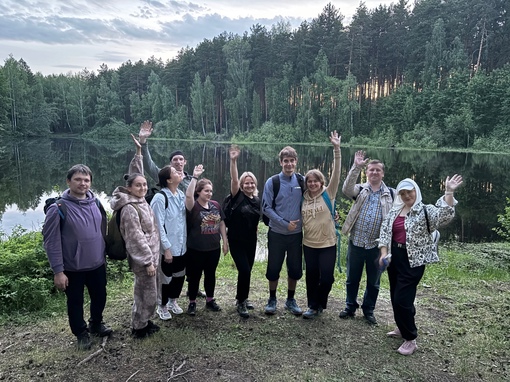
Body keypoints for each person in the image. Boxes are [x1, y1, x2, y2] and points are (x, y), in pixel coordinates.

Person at [378, 175, 463, 355]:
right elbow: (385, 233)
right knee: (396, 296)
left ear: (416, 191)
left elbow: (445, 214)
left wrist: (449, 192)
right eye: (403, 193)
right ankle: (402, 325)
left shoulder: (426, 211)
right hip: (396, 259)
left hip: (413, 261)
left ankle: (410, 338)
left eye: (410, 192)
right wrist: (384, 254)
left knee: (402, 298)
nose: (407, 196)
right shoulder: (394, 212)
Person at [43, 164, 112, 350]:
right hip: (72, 268)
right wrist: (58, 271)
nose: (83, 183)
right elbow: (51, 242)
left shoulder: (96, 203)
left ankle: (96, 324)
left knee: (100, 296)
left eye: (86, 180)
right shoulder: (58, 208)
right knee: (75, 302)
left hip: (97, 264)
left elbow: (101, 231)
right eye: (78, 179)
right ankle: (81, 333)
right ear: (68, 181)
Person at [138, 120, 206, 298]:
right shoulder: (165, 176)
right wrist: (143, 143)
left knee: (190, 260)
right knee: (170, 263)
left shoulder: (192, 179)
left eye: (180, 159)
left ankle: (193, 287)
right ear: (170, 164)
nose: (178, 162)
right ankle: (164, 296)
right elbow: (148, 163)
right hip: (171, 228)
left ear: (185, 162)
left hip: (189, 227)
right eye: (174, 160)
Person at [110, 136, 160, 338]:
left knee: (150, 292)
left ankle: (145, 321)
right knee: (144, 293)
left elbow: (136, 174)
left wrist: (139, 152)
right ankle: (138, 327)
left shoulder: (139, 201)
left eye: (145, 185)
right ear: (129, 188)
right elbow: (135, 238)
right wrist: (147, 261)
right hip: (144, 259)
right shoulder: (130, 208)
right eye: (138, 186)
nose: (143, 188)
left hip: (153, 256)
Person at [339, 151, 395, 324]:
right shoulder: (361, 189)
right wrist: (356, 167)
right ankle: (350, 306)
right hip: (356, 243)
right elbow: (346, 189)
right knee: (352, 278)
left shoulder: (392, 194)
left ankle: (368, 310)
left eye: (378, 170)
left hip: (377, 247)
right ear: (367, 172)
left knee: (374, 281)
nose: (374, 173)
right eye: (371, 170)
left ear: (383, 173)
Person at [301, 131, 341, 319]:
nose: (312, 184)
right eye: (309, 181)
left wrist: (337, 149)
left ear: (321, 182)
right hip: (309, 244)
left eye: (315, 181)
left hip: (327, 244)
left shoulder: (329, 193)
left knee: (327, 278)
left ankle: (320, 302)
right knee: (311, 277)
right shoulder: (303, 198)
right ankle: (312, 306)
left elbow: (337, 174)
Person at [262, 146, 304, 316]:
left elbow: (317, 198)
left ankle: (290, 299)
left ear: (296, 162)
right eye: (285, 161)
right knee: (273, 267)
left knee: (294, 268)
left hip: (296, 235)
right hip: (277, 233)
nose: (289, 164)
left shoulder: (302, 181)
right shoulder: (273, 182)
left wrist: (332, 212)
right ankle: (272, 299)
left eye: (292, 160)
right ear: (281, 162)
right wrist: (284, 223)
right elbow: (266, 207)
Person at [185, 165, 228, 316]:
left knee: (211, 274)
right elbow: (188, 196)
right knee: (194, 276)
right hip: (196, 249)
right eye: (206, 191)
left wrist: (225, 242)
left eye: (210, 190)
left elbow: (221, 223)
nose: (209, 193)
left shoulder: (215, 205)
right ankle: (192, 302)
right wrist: (195, 176)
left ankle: (210, 300)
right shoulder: (193, 206)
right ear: (199, 192)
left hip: (213, 248)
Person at [227, 145, 261, 318]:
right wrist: (233, 161)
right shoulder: (237, 196)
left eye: (252, 182)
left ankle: (243, 297)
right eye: (246, 182)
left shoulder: (256, 200)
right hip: (236, 240)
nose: (249, 185)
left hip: (251, 241)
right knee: (245, 270)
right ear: (241, 184)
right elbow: (233, 179)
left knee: (248, 269)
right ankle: (241, 302)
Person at [151, 164, 187, 321]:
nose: (179, 173)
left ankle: (173, 301)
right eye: (175, 172)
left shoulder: (180, 195)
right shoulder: (160, 198)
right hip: (168, 247)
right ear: (168, 179)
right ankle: (162, 305)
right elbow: (157, 226)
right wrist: (166, 248)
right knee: (166, 278)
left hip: (182, 246)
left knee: (179, 275)